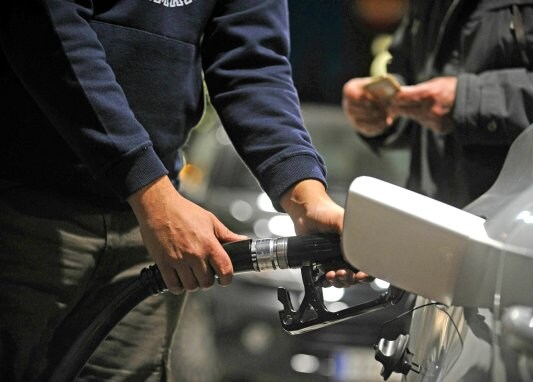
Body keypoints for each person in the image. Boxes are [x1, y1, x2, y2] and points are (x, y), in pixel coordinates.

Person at [0, 1, 367, 381]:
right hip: (26, 205)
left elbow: (252, 67)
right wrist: (151, 193)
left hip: (142, 229)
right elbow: (44, 25)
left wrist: (307, 199)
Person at [343, 0, 533, 208]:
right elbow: (412, 79)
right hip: (431, 218)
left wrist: (466, 101)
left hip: (527, 221)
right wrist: (380, 111)